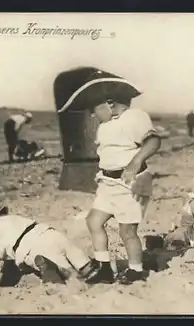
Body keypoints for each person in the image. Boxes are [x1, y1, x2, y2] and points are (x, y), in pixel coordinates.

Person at [57, 69, 161, 285]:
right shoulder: (105, 127)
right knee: (94, 221)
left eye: (94, 109)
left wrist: (135, 162)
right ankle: (104, 266)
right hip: (107, 183)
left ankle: (135, 270)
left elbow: (153, 141)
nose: (93, 115)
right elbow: (108, 154)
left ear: (110, 103)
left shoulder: (135, 117)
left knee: (127, 231)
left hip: (130, 184)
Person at [0, 205, 103, 289]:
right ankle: (109, 267)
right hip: (50, 233)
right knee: (89, 268)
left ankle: (51, 270)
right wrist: (5, 281)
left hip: (34, 247)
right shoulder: (3, 222)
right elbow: (9, 262)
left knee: (72, 278)